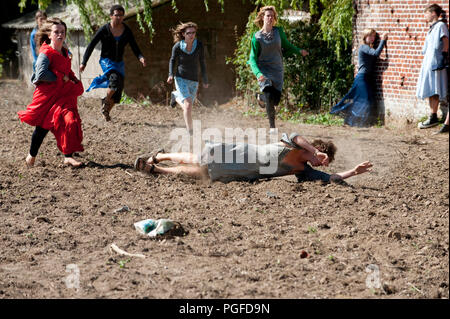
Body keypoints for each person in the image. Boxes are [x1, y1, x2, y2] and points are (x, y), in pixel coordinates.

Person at [134, 133, 373, 184]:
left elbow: (331, 178)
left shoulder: (303, 171)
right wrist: (315, 151)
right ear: (318, 152)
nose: (324, 164)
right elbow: (297, 137)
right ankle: (160, 155)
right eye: (324, 159)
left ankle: (157, 171)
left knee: (203, 171)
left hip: (246, 172)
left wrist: (353, 171)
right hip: (243, 152)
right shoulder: (294, 145)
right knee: (199, 157)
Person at [18, 18, 85, 168]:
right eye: (56, 32)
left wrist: (72, 78)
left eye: (62, 32)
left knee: (71, 121)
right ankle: (31, 155)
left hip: (63, 95)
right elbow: (41, 74)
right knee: (42, 128)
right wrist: (62, 77)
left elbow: (66, 70)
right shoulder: (46, 53)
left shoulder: (65, 51)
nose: (60, 34)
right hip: (48, 97)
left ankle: (68, 156)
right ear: (50, 35)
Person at [80, 4, 146, 121]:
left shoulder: (126, 31)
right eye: (116, 15)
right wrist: (84, 62)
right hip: (106, 61)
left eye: (121, 15)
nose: (119, 18)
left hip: (119, 63)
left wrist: (140, 57)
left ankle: (106, 110)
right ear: (111, 16)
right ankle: (105, 100)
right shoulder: (104, 30)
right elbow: (91, 46)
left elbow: (134, 46)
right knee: (114, 80)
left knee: (118, 92)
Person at [247, 6, 309, 132]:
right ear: (262, 17)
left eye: (272, 16)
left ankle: (261, 98)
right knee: (269, 95)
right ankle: (272, 127)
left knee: (274, 101)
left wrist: (299, 51)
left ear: (274, 18)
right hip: (264, 70)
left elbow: (287, 46)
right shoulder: (257, 37)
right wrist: (258, 73)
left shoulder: (278, 32)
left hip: (277, 69)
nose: (270, 18)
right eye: (267, 15)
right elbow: (252, 58)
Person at [330, 29, 388, 127]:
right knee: (363, 99)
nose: (372, 38)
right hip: (362, 78)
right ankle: (344, 113)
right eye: (370, 36)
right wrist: (383, 40)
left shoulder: (369, 48)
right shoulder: (363, 47)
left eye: (373, 36)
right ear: (365, 37)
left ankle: (360, 121)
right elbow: (376, 53)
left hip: (368, 78)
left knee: (367, 99)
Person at [167, 22, 208, 135]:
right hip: (181, 78)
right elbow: (172, 60)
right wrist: (170, 74)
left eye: (193, 33)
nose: (191, 35)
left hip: (194, 79)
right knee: (188, 105)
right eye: (189, 33)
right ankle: (190, 131)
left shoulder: (199, 45)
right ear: (183, 34)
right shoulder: (177, 46)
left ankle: (175, 96)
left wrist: (205, 79)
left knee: (188, 106)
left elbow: (202, 61)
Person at [416, 4, 449, 129]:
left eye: (427, 13)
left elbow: (446, 41)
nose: (425, 16)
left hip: (436, 63)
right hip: (429, 63)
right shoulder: (432, 28)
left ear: (433, 13)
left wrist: (443, 57)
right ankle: (432, 115)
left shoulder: (440, 26)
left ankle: (433, 116)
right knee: (430, 88)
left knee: (434, 89)